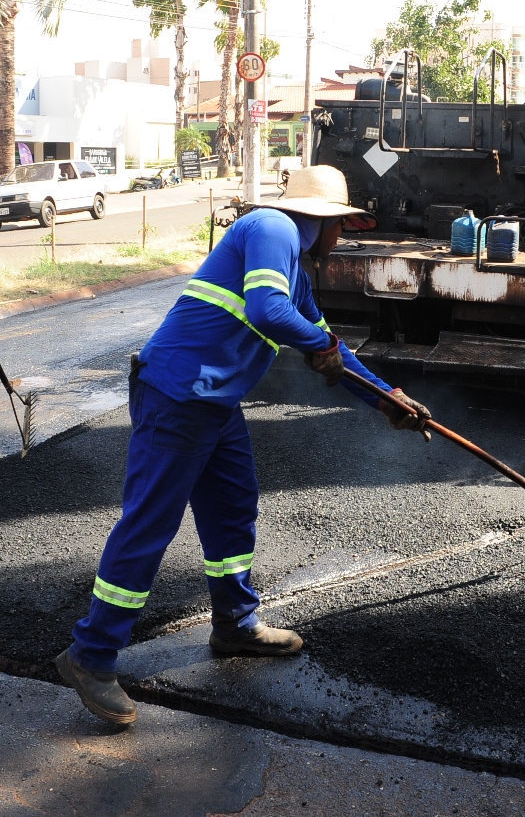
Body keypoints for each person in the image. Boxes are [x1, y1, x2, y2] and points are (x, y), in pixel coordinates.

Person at [57, 165, 433, 727]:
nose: (342, 238)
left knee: (233, 507)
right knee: (148, 525)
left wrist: (388, 399)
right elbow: (268, 314)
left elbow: (330, 351)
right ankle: (90, 655)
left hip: (214, 403)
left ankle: (234, 622)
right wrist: (321, 342)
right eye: (343, 227)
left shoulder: (293, 272)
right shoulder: (272, 227)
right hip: (176, 395)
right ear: (327, 220)